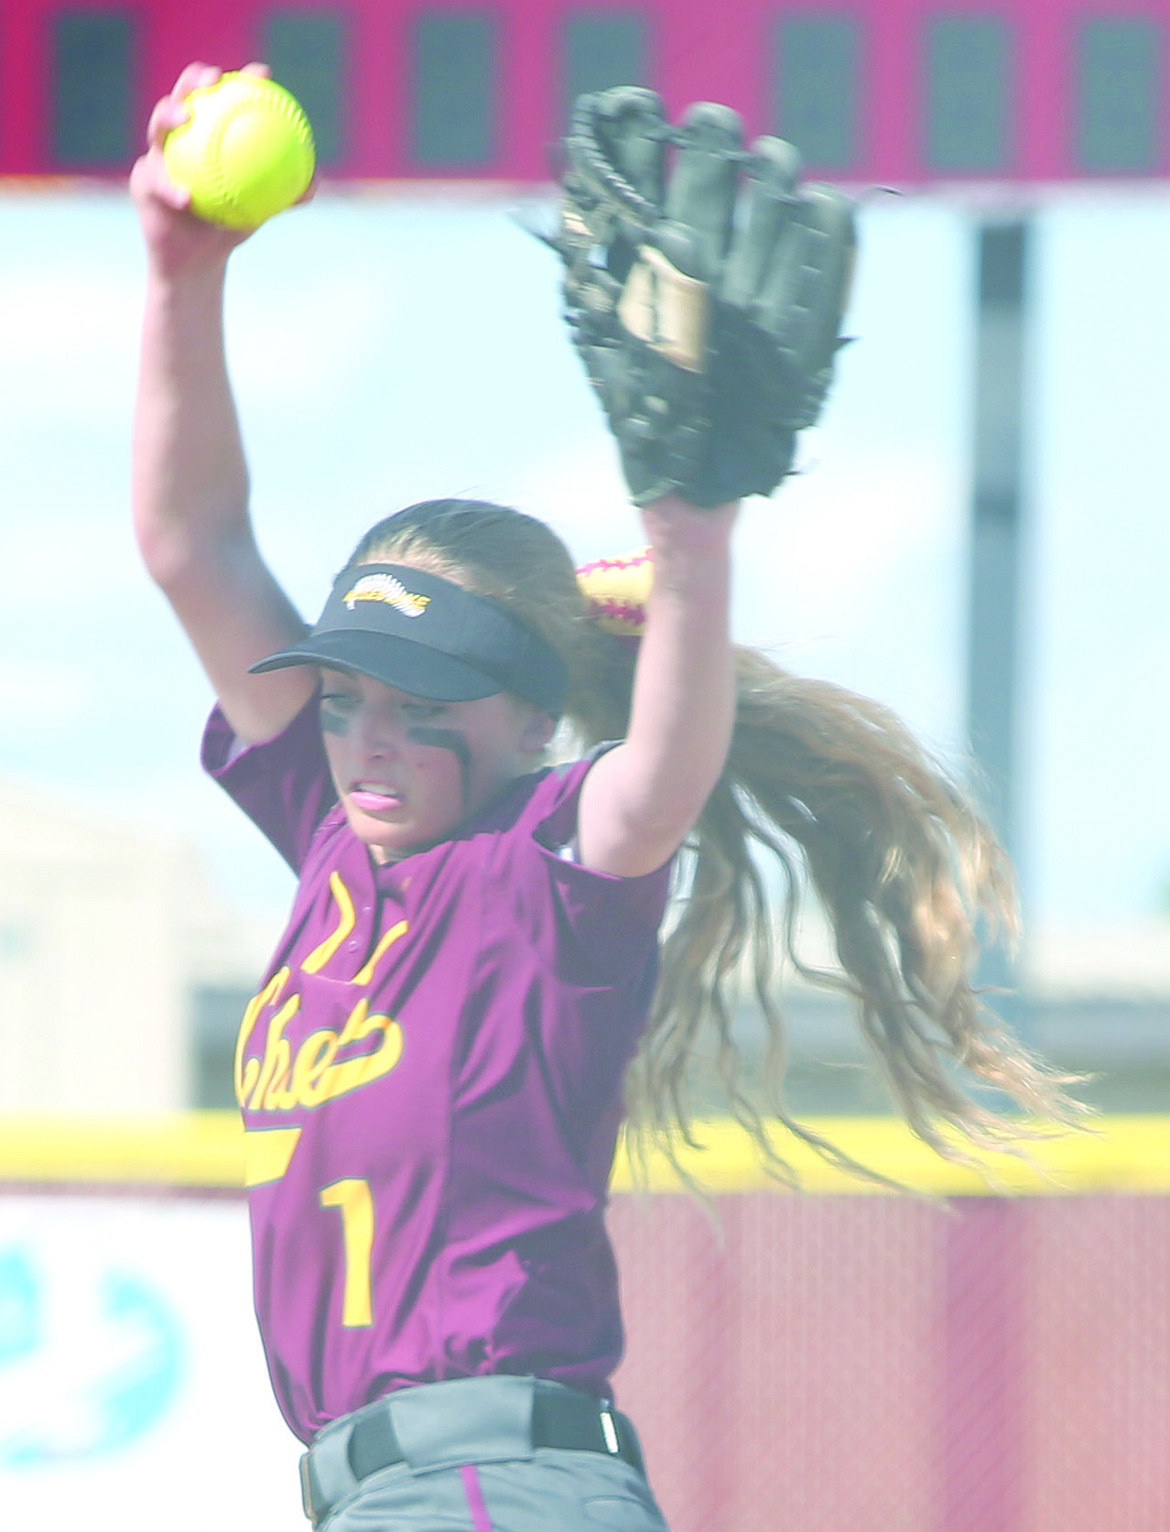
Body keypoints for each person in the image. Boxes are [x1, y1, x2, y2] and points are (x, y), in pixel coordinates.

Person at [130, 64, 1080, 1532]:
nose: (368, 739)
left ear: (528, 724)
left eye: (423, 710)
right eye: (344, 699)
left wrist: (687, 532)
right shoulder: (333, 845)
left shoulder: (537, 874)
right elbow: (194, 543)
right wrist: (181, 273)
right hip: (395, 1493)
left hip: (487, 1481)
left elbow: (657, 778)